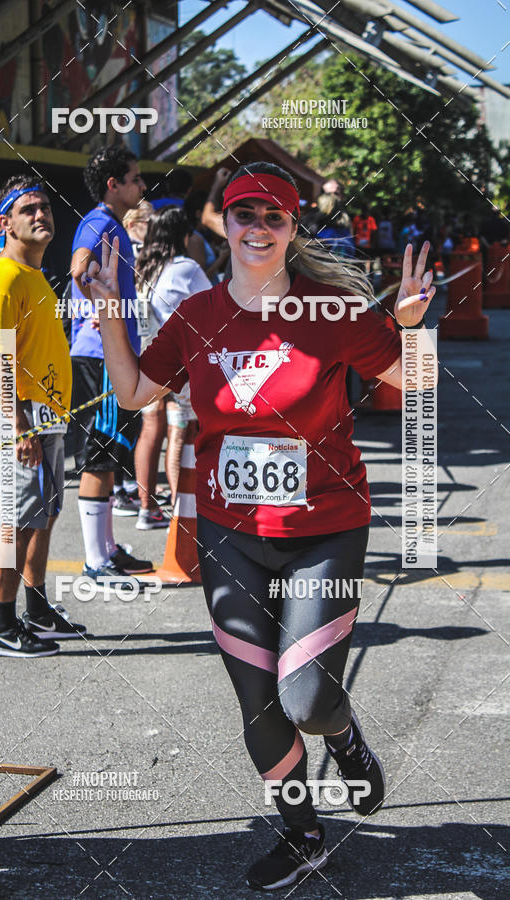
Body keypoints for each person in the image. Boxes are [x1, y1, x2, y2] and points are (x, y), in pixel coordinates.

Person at [91, 160, 437, 890]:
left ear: (291, 227)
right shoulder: (197, 316)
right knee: (258, 703)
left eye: (273, 216)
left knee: (306, 699)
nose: (258, 227)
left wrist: (411, 327)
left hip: (326, 529)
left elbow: (421, 381)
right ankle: (302, 832)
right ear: (224, 222)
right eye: (244, 213)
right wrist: (110, 315)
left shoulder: (334, 311)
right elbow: (132, 392)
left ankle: (343, 736)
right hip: (229, 534)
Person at [0, 174, 85, 658]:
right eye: (28, 210)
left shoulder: (34, 274)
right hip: (19, 418)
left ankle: (36, 610)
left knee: (43, 516)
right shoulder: (3, 276)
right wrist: (18, 426)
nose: (41, 215)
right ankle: (1, 626)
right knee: (12, 521)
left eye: (45, 207)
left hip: (47, 414)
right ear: (5, 223)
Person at [69, 145, 152, 577]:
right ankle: (96, 562)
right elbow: (78, 268)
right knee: (99, 453)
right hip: (101, 355)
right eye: (135, 179)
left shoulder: (110, 224)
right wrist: (101, 310)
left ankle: (106, 548)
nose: (142, 185)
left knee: (111, 450)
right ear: (113, 184)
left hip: (111, 355)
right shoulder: (99, 222)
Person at [134, 205, 211, 524]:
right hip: (182, 368)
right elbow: (213, 307)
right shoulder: (187, 268)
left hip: (148, 363)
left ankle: (147, 508)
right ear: (184, 236)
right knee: (181, 434)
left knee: (150, 431)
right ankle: (183, 516)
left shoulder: (143, 268)